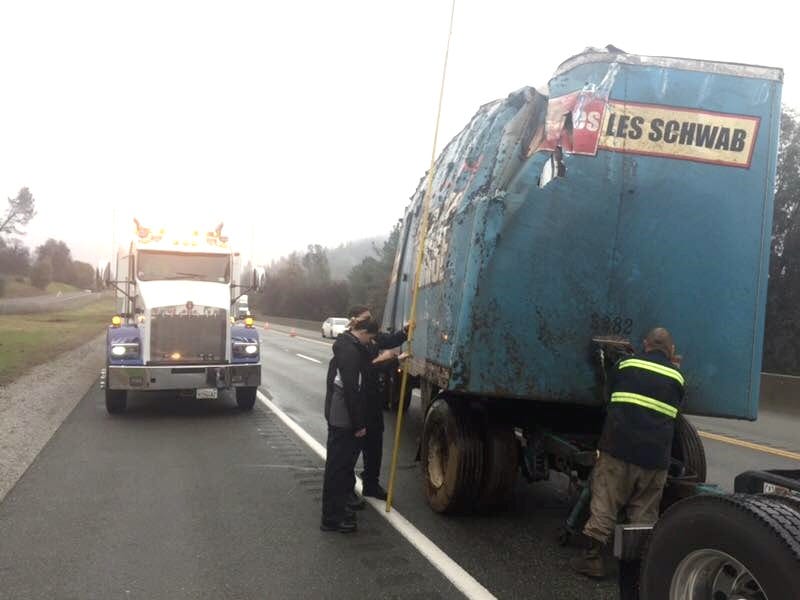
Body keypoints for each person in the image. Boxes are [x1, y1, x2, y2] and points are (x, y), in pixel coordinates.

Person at [571, 327, 685, 578]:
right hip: (655, 459)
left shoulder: (626, 365)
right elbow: (676, 411)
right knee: (644, 514)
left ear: (646, 344)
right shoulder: (677, 377)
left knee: (605, 504)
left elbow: (608, 397)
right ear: (671, 350)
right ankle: (636, 573)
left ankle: (591, 559)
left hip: (618, 449)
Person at [321, 317, 380, 533]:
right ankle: (331, 518)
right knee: (337, 467)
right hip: (343, 414)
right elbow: (351, 390)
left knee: (341, 465)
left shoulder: (350, 345)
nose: (369, 343)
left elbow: (366, 363)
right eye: (369, 339)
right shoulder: (349, 351)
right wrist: (358, 425)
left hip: (343, 412)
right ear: (362, 331)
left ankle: (336, 511)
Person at [346, 306, 409, 501]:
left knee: (375, 444)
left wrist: (405, 332)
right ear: (354, 321)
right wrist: (391, 360)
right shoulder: (350, 344)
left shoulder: (371, 337)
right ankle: (347, 489)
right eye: (364, 319)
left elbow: (389, 341)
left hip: (373, 399)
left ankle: (371, 484)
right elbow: (366, 369)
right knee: (353, 448)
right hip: (358, 401)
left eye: (370, 318)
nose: (369, 322)